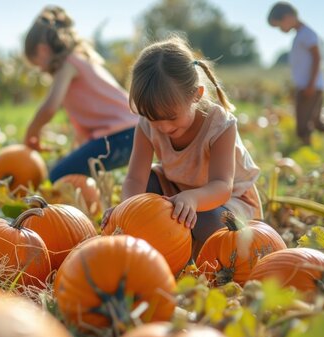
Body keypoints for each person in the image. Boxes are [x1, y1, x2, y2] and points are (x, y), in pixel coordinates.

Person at [103, 36, 262, 261]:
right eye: (152, 118)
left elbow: (221, 186)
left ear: (195, 95)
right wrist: (124, 211)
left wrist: (193, 199)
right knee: (147, 183)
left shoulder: (219, 125)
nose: (163, 127)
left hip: (223, 202)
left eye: (170, 117)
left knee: (210, 222)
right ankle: (164, 249)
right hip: (177, 192)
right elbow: (134, 180)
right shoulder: (148, 125)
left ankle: (190, 253)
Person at [23, 6, 139, 182]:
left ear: (42, 50)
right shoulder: (80, 61)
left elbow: (49, 107)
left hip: (123, 136)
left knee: (59, 174)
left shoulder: (67, 65)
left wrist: (31, 133)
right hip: (133, 133)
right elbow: (86, 126)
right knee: (69, 169)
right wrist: (73, 154)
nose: (40, 69)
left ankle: (72, 207)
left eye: (37, 64)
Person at [268, 2, 324, 146]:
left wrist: (311, 85)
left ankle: (307, 154)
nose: (281, 30)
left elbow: (317, 58)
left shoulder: (306, 34)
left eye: (280, 25)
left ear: (288, 17)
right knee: (317, 123)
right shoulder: (300, 35)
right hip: (310, 85)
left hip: (309, 87)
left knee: (302, 127)